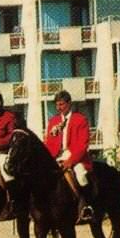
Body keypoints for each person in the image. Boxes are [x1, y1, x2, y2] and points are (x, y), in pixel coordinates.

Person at [44, 91, 95, 224]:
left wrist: (70, 161)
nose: (59, 107)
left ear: (69, 103)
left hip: (75, 156)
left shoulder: (80, 119)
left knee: (80, 175)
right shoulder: (53, 121)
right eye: (57, 105)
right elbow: (49, 142)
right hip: (57, 155)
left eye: (61, 104)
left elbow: (83, 144)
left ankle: (86, 205)